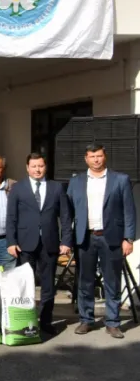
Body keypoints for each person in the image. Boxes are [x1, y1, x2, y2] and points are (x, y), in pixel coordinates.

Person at [67, 144, 135, 339]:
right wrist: (68, 238)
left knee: (112, 281)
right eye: (92, 156)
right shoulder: (77, 182)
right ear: (85, 159)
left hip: (111, 237)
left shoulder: (120, 180)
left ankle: (113, 322)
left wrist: (128, 238)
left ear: (104, 157)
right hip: (85, 237)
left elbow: (129, 211)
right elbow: (69, 212)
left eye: (99, 156)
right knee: (84, 281)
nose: (96, 159)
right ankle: (86, 320)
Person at [6, 153, 73, 336]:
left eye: (41, 166)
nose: (37, 169)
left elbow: (65, 217)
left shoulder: (56, 188)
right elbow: (11, 217)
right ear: (27, 167)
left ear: (46, 167)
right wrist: (11, 242)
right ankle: (26, 320)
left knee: (48, 285)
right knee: (25, 284)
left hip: (50, 243)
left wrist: (66, 240)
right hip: (25, 244)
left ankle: (45, 321)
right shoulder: (18, 188)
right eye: (34, 166)